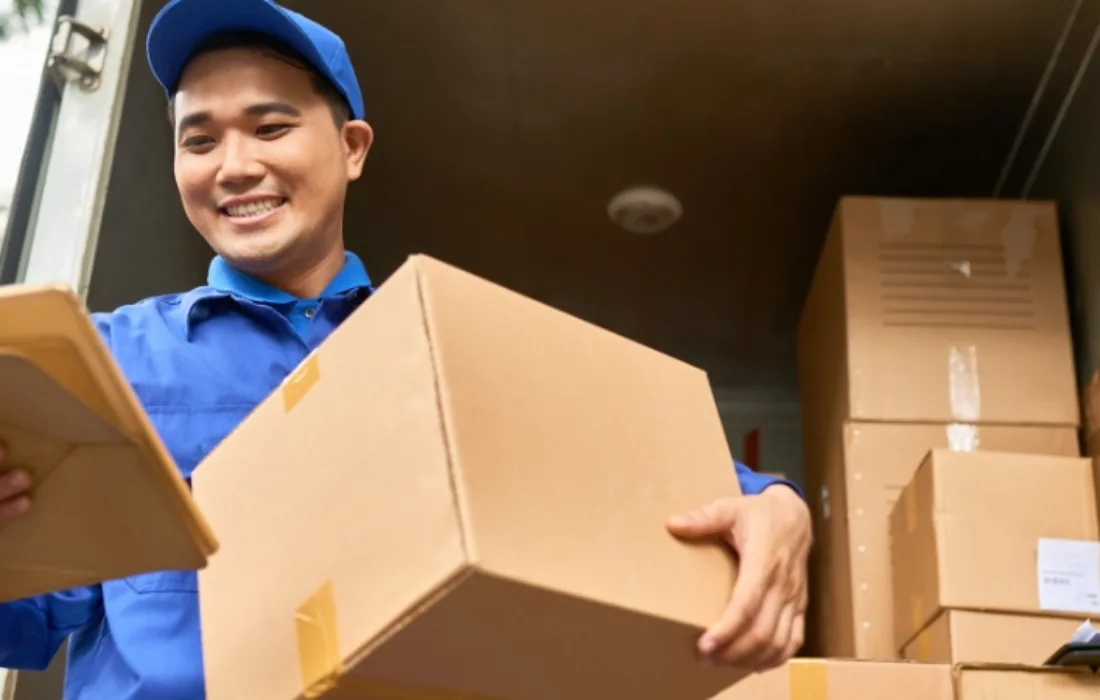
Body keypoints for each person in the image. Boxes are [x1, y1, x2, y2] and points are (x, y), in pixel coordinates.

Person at [0, 0, 813, 698]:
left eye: (271, 126)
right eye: (199, 140)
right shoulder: (105, 361)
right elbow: (29, 620)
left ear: (352, 147)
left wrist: (780, 506)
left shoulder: (455, 350)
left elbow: (659, 480)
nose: (235, 166)